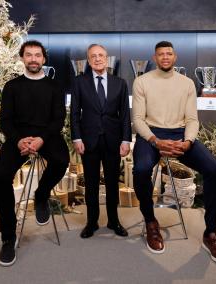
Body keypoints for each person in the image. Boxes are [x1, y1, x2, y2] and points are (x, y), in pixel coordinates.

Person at [132, 40, 216, 265]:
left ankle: (211, 234)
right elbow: (137, 119)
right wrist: (155, 141)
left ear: (175, 57)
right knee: (140, 169)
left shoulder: (187, 83)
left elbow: (192, 120)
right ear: (155, 58)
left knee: (215, 169)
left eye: (169, 54)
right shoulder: (141, 81)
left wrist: (187, 142)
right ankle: (150, 222)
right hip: (151, 135)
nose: (165, 57)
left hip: (180, 134)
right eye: (160, 54)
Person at [0, 40, 69, 267]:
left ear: (44, 59)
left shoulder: (55, 87)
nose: (34, 59)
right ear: (22, 58)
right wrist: (18, 141)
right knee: (1, 177)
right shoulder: (12, 86)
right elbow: (4, 121)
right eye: (29, 55)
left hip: (47, 136)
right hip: (19, 139)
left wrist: (41, 139)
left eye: (38, 55)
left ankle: (42, 195)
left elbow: (58, 120)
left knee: (61, 160)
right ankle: (8, 237)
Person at [71, 44, 131, 239]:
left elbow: (125, 115)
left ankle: (114, 221)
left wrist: (126, 140)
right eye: (93, 56)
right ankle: (92, 222)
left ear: (106, 58)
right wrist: (77, 137)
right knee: (91, 184)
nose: (97, 59)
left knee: (113, 183)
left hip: (113, 141)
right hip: (88, 141)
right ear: (88, 61)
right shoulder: (80, 82)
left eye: (101, 55)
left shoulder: (120, 83)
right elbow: (74, 113)